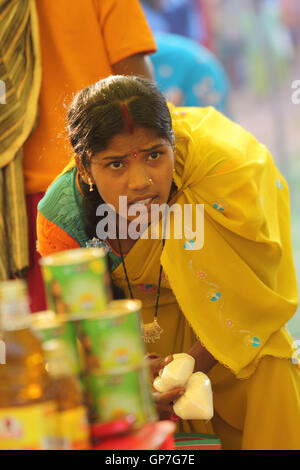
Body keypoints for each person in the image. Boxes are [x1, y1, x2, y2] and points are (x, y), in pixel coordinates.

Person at [37, 75, 300, 450]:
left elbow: (250, 298)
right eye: (115, 165)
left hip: (217, 337)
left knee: (266, 358)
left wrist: (188, 366)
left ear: (172, 147)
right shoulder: (64, 220)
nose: (140, 181)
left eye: (154, 155)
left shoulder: (216, 179)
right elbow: (75, 334)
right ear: (83, 168)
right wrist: (127, 379)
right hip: (120, 354)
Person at [0, 0, 156, 312]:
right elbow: (141, 95)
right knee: (128, 338)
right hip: (112, 188)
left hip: (19, 211)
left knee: (48, 349)